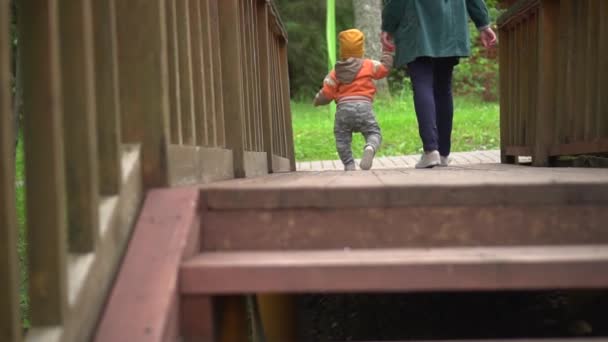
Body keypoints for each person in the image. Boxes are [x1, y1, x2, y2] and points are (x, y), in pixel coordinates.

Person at [381, 0, 497, 168]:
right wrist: (483, 23)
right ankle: (443, 153)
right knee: (443, 88)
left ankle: (431, 151)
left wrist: (388, 25)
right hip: (450, 25)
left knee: (422, 83)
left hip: (417, 26)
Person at [313, 28, 394, 171]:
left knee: (342, 138)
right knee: (374, 133)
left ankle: (349, 165)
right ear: (361, 49)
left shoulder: (336, 71)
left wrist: (317, 100)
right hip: (364, 107)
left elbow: (327, 93)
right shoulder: (369, 65)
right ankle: (370, 147)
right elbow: (384, 69)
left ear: (342, 50)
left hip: (343, 110)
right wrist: (387, 52)